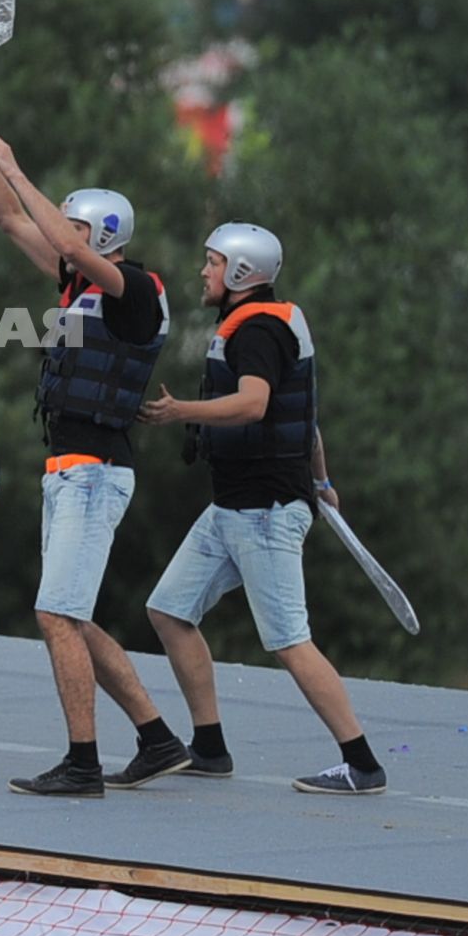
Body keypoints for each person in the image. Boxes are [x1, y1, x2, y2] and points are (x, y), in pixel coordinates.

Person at [0, 112, 191, 798]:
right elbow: (8, 219)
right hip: (71, 472)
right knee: (73, 615)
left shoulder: (136, 291)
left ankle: (82, 761)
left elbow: (56, 235)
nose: (67, 239)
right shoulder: (80, 285)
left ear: (103, 238)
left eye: (79, 230)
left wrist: (21, 167)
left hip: (95, 472)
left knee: (54, 614)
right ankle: (156, 737)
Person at [137, 223, 387, 795]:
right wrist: (322, 481)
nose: (204, 271)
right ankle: (209, 748)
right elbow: (306, 418)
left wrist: (182, 412)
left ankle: (363, 764)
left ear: (242, 273)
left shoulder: (255, 333)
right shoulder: (265, 323)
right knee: (169, 612)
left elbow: (255, 405)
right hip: (233, 507)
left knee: (289, 640)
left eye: (213, 262)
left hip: (265, 512)